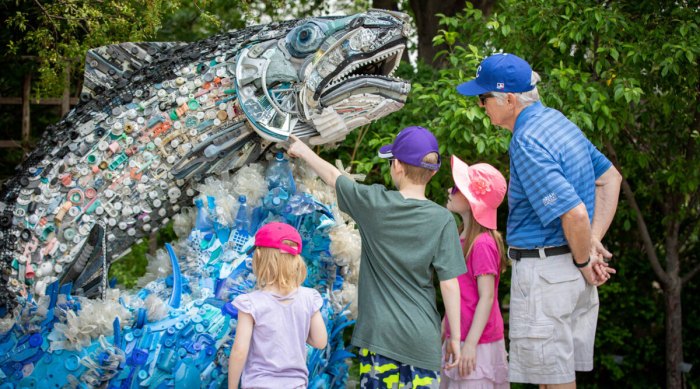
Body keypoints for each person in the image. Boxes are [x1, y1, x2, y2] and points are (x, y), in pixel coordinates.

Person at [456, 53, 622, 388]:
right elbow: (610, 179)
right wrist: (589, 244)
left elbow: (574, 212)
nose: (481, 106)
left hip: (548, 272)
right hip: (566, 273)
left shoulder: (526, 139)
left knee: (554, 382)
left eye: (483, 98)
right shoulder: (558, 122)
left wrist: (585, 257)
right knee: (552, 380)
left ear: (510, 99)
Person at [287, 126, 466, 388]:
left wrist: (303, 151)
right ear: (434, 171)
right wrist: (455, 338)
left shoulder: (374, 203)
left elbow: (334, 177)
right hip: (423, 341)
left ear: (397, 166)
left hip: (381, 339)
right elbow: (450, 284)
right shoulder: (442, 220)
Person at [228, 222, 328, 389]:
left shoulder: (251, 303)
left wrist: (231, 387)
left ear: (258, 258)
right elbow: (320, 341)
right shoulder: (309, 297)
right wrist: (296, 331)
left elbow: (239, 350)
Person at [441, 156, 509, 389]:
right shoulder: (460, 236)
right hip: (460, 337)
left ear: (472, 201)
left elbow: (487, 297)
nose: (450, 189)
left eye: (458, 187)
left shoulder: (481, 244)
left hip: (478, 342)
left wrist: (470, 343)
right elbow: (459, 291)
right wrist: (446, 325)